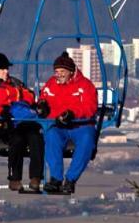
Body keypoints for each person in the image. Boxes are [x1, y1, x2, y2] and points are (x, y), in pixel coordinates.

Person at [0, 52, 45, 193]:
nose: (6, 72)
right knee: (17, 140)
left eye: (7, 69)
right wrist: (2, 112)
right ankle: (14, 179)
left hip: (21, 119)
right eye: (3, 69)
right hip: (4, 124)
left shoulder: (14, 82)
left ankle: (36, 178)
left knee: (36, 138)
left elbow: (29, 95)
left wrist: (24, 104)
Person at [37, 52, 98, 194]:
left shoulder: (85, 85)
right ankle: (56, 179)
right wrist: (42, 106)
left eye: (62, 72)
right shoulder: (51, 84)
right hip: (59, 125)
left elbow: (90, 107)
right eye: (56, 72)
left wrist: (72, 113)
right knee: (51, 136)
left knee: (87, 141)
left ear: (71, 72)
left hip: (80, 124)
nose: (59, 75)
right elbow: (43, 98)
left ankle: (70, 179)